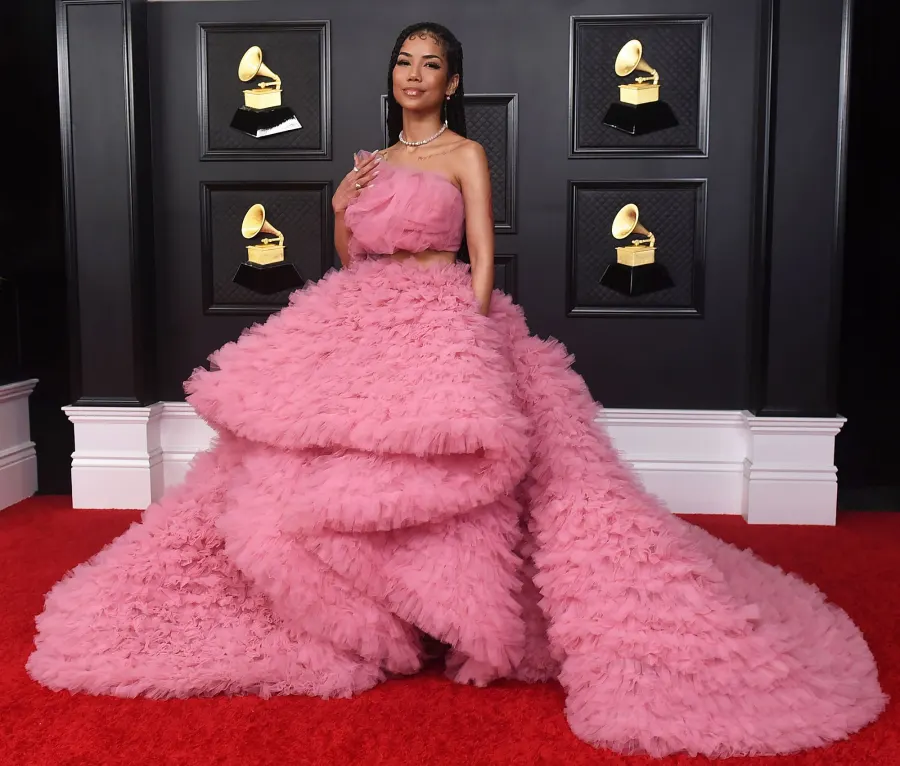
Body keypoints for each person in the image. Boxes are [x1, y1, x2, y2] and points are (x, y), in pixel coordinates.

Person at [26, 21, 886, 759]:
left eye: (430, 63)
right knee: (309, 462)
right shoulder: (373, 160)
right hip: (364, 313)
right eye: (404, 60)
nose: (414, 74)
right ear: (392, 76)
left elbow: (480, 253)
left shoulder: (467, 153)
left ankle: (454, 614)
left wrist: (467, 340)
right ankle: (375, 615)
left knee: (469, 465)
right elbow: (350, 258)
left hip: (444, 315)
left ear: (453, 80)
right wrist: (336, 208)